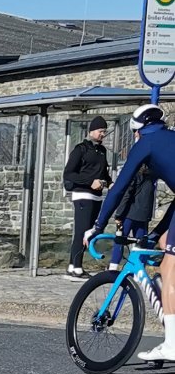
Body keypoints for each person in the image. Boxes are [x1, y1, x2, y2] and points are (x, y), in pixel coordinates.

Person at [95, 104, 175, 362]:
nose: (136, 136)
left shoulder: (146, 144)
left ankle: (172, 344)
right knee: (164, 243)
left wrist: (98, 226)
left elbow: (119, 187)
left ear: (140, 129)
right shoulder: (170, 138)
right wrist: (157, 232)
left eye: (135, 132)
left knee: (170, 268)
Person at [63, 115, 113, 276]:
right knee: (82, 231)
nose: (102, 134)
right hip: (83, 195)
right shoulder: (80, 149)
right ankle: (77, 267)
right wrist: (90, 182)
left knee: (89, 232)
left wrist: (110, 183)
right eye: (100, 131)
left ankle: (72, 265)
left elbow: (103, 172)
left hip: (97, 196)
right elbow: (69, 173)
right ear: (91, 131)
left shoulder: (102, 151)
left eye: (104, 131)